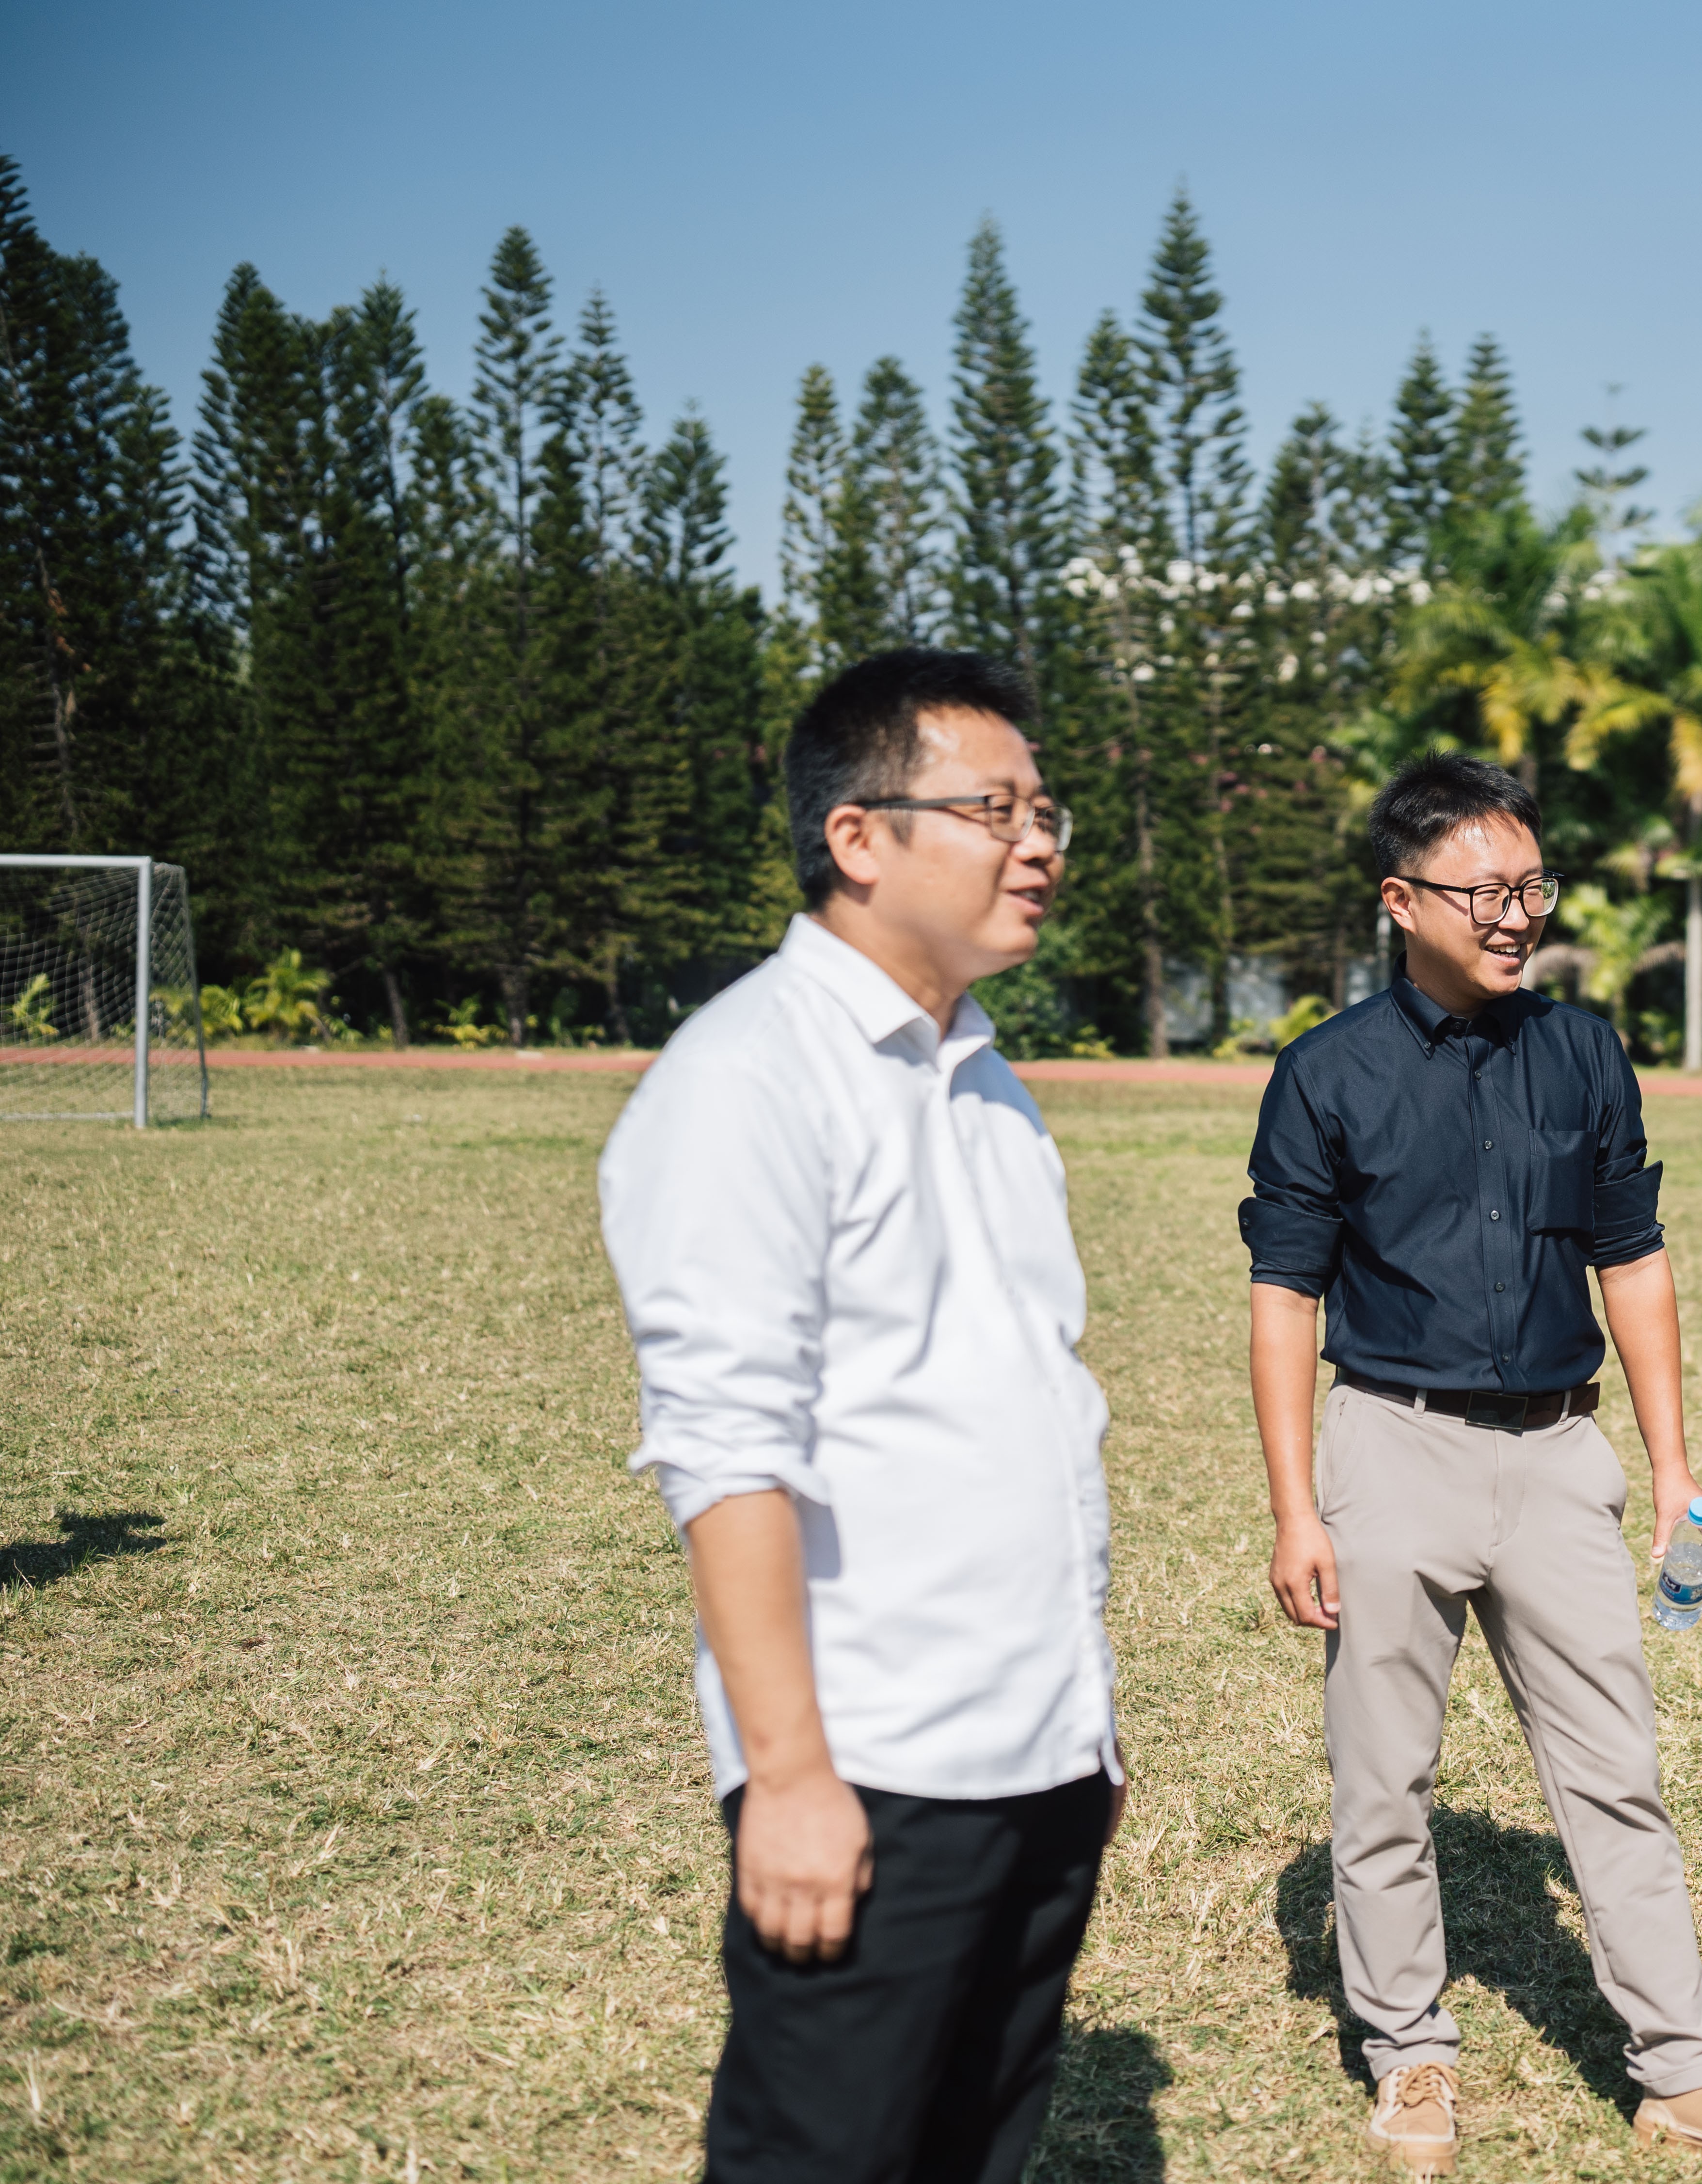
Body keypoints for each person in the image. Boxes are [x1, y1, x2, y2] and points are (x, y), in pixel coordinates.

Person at [1240, 755, 1702, 2181]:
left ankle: (1685, 2076)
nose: (1516, 916)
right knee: (1384, 1781)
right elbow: (1284, 1292)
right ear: (1401, 901)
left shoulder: (1582, 1051)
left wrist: (1675, 1468)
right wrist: (1295, 1508)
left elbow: (1632, 1256)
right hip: (1391, 1447)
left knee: (1616, 1773)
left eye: (1532, 888)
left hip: (1564, 1454)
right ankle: (1410, 2053)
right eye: (1484, 891)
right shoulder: (1325, 1071)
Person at [597, 647, 1126, 2184]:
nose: (1037, 844)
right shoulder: (747, 1079)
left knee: (976, 2150)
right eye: (993, 810)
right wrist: (789, 1776)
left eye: (1045, 812)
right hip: (877, 1765)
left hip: (1038, 1755)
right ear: (858, 837)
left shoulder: (987, 1082)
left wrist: (1083, 1732)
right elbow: (726, 1450)